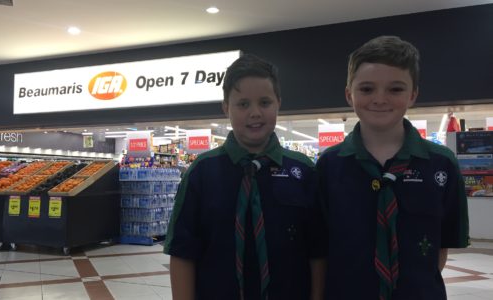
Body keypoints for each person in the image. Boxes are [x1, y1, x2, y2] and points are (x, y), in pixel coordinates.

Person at [316, 36, 470, 300]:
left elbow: (441, 250)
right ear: (348, 94)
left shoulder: (441, 164)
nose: (380, 99)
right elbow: (320, 248)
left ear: (413, 95)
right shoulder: (329, 165)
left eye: (395, 89)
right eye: (366, 89)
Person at [164, 53, 327, 300]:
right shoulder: (202, 172)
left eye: (264, 102)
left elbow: (317, 251)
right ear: (225, 107)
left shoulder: (303, 171)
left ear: (278, 103)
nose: (255, 113)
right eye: (243, 104)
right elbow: (183, 252)